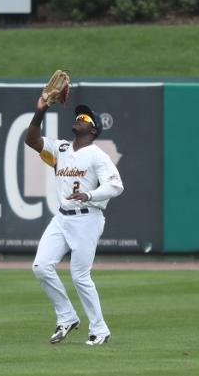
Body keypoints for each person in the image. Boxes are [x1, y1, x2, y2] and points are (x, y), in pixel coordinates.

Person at [25, 96, 124, 346]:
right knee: (41, 266)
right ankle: (67, 317)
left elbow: (116, 185)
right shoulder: (60, 149)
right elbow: (32, 140)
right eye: (78, 116)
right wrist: (42, 109)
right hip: (62, 217)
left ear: (93, 130)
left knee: (79, 275)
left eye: (85, 118)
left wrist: (89, 195)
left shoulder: (96, 154)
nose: (79, 119)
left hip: (87, 218)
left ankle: (100, 330)